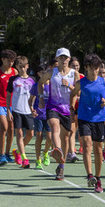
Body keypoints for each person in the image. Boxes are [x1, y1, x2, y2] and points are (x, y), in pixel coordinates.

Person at [71, 54, 105, 193]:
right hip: (84, 118)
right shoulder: (81, 83)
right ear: (86, 68)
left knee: (98, 150)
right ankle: (89, 175)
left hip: (99, 118)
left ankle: (98, 178)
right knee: (87, 145)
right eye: (92, 68)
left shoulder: (104, 81)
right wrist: (72, 109)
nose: (95, 71)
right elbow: (73, 94)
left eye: (97, 68)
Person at [45, 48, 77, 180]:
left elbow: (78, 92)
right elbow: (41, 82)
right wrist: (41, 97)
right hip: (53, 106)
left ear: (69, 59)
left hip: (67, 109)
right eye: (61, 58)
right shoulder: (51, 72)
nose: (63, 60)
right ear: (57, 59)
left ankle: (61, 166)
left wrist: (69, 86)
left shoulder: (75, 74)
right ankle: (57, 150)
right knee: (54, 126)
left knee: (66, 138)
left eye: (65, 58)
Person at [7, 56, 37, 168]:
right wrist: (8, 111)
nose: (22, 69)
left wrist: (34, 108)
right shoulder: (13, 80)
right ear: (17, 67)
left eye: (24, 66)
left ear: (27, 66)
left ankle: (18, 151)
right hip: (16, 110)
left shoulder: (32, 80)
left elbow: (34, 95)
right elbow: (9, 95)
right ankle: (24, 158)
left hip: (28, 110)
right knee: (19, 133)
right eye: (20, 67)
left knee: (30, 134)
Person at [0, 49, 18, 164]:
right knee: (4, 127)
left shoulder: (15, 72)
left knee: (11, 129)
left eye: (12, 61)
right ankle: (1, 154)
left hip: (12, 104)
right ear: (2, 59)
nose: (10, 63)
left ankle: (7, 154)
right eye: (8, 61)